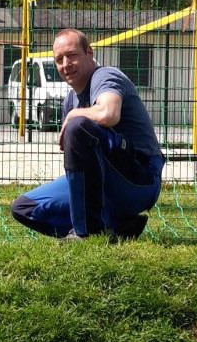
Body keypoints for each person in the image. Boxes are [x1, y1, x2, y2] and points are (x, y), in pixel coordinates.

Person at [11, 29, 164, 241]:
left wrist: (73, 115)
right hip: (104, 184)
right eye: (59, 59)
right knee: (24, 208)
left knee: (78, 126)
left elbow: (108, 114)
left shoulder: (105, 76)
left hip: (139, 180)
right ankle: (117, 228)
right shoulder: (70, 100)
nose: (66, 64)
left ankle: (87, 233)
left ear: (89, 53)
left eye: (72, 55)